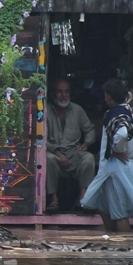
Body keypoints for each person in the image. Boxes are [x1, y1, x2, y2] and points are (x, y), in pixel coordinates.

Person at [81, 79, 133, 232]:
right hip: (116, 169)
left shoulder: (116, 113)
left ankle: (124, 245)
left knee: (119, 215)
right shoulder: (130, 111)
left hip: (116, 169)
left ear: (108, 97)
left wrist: (116, 149)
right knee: (102, 205)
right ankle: (112, 242)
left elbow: (121, 134)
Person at [45, 77, 96, 213]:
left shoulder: (77, 110)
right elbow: (41, 139)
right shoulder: (45, 111)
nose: (63, 95)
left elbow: (90, 129)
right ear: (52, 94)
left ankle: (83, 199)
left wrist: (86, 143)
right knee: (47, 159)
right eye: (59, 92)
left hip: (74, 153)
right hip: (55, 155)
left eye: (66, 91)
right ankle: (53, 199)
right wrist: (59, 154)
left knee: (88, 158)